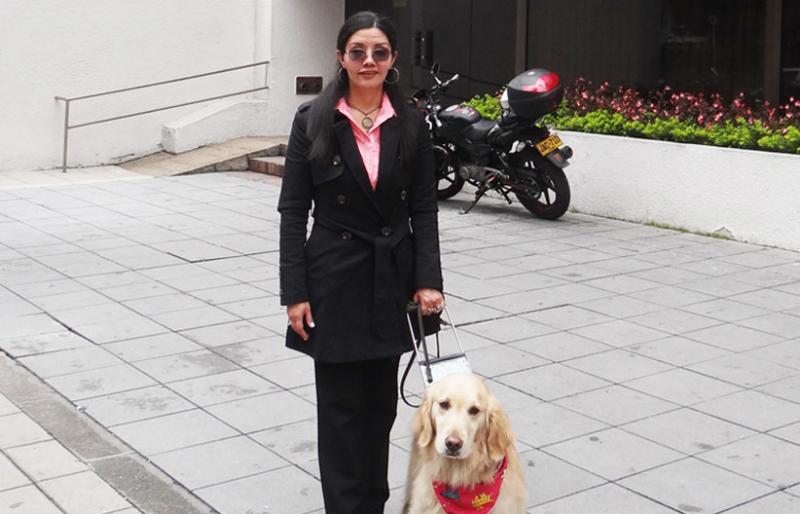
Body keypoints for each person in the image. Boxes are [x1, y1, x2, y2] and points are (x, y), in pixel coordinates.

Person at [277, 10, 444, 514]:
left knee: (380, 410)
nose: (368, 61)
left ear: (392, 59)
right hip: (332, 281)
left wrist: (428, 280)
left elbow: (423, 207)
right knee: (341, 413)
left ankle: (372, 502)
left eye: (379, 52)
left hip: (390, 280)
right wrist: (295, 292)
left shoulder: (410, 121)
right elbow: (293, 210)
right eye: (358, 52)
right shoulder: (313, 120)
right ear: (340, 57)